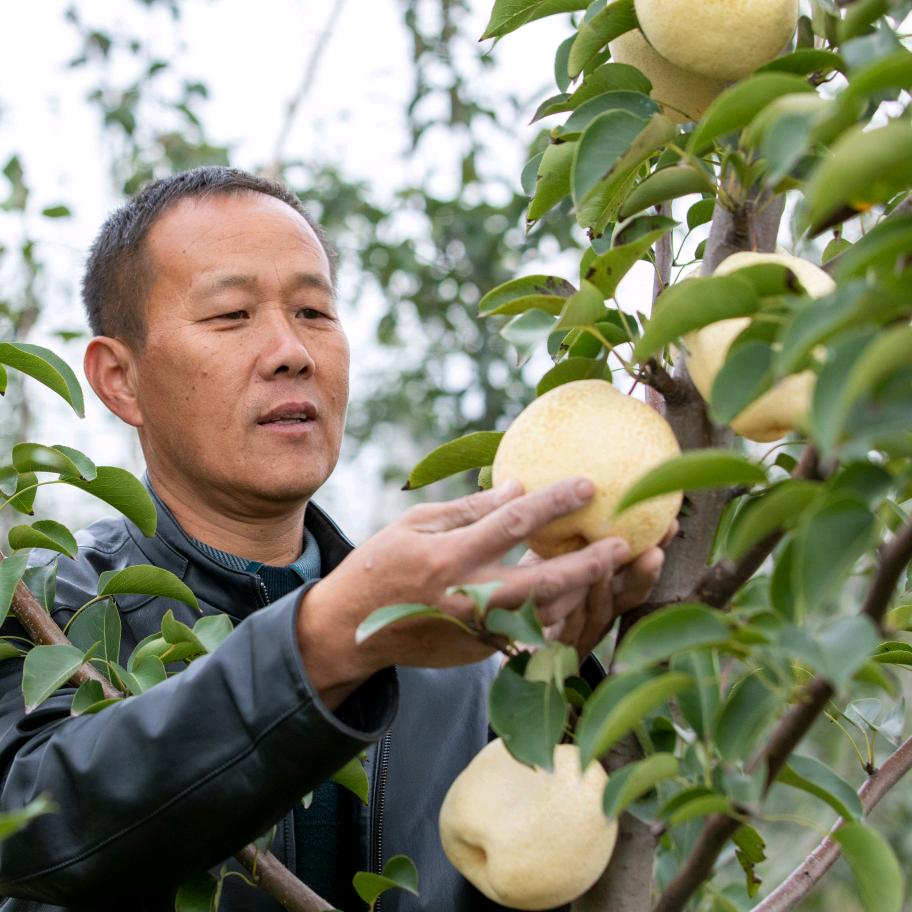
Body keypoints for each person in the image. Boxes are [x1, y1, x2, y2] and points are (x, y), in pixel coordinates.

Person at [0, 167, 669, 912]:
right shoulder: (42, 608)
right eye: (230, 316)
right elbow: (27, 833)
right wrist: (333, 638)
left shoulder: (461, 654)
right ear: (119, 379)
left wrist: (573, 692)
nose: (292, 350)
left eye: (315, 312)